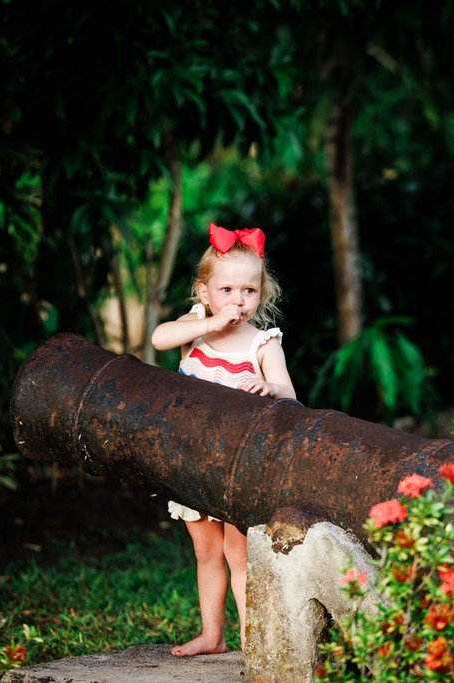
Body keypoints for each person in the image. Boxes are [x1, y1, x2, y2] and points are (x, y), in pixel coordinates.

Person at [151, 221, 297, 657]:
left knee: (241, 555)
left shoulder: (263, 343)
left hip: (238, 467)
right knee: (206, 552)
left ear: (262, 294)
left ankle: (254, 642)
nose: (238, 299)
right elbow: (159, 339)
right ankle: (212, 635)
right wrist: (209, 323)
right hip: (194, 460)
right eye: (228, 289)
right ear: (205, 293)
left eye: (249, 291)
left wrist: (271, 389)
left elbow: (290, 394)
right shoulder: (195, 327)